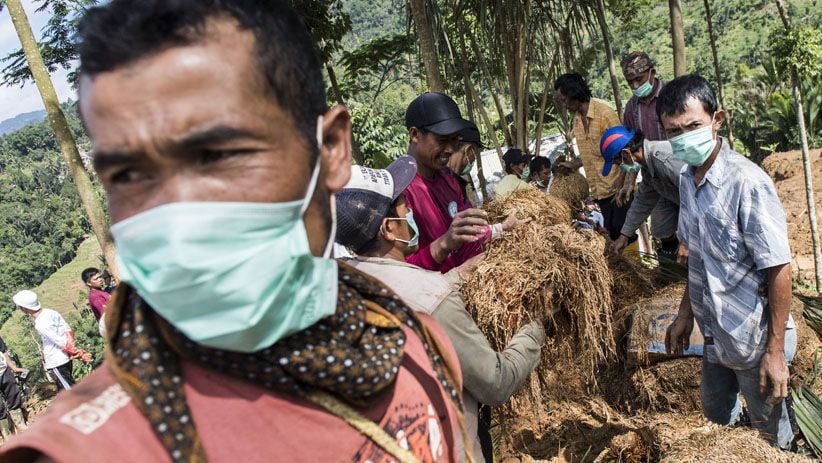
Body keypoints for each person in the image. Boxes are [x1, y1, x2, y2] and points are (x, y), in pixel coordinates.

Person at [0, 2, 468, 461]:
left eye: (217, 154)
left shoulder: (414, 341)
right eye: (128, 175)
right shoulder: (93, 446)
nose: (175, 216)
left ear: (330, 151)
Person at [335, 158, 545, 462]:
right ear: (389, 228)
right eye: (404, 208)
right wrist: (537, 324)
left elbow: (403, 294)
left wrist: (458, 275)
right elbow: (496, 382)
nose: (410, 213)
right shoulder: (433, 300)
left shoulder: (339, 281)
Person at [661, 75, 797, 449]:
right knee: (715, 413)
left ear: (717, 119)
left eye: (693, 126)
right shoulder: (687, 179)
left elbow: (779, 268)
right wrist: (685, 314)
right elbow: (696, 255)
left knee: (771, 436)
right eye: (674, 132)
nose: (684, 137)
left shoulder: (746, 182)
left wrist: (774, 352)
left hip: (756, 337)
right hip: (717, 333)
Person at [403, 92, 520, 274]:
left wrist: (501, 229)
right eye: (442, 140)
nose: (450, 149)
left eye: (455, 141)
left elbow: (467, 238)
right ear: (415, 134)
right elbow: (399, 271)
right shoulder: (398, 192)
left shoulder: (450, 181)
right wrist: (443, 245)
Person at [554, 73, 628, 241]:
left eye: (564, 100)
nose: (563, 105)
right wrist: (574, 164)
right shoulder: (577, 121)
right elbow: (594, 154)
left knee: (624, 234)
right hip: (599, 192)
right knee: (614, 234)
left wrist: (622, 183)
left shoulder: (605, 115)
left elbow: (626, 153)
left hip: (618, 189)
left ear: (574, 93)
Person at [600, 126, 684, 260]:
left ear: (626, 153)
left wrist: (686, 240)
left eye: (618, 162)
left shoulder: (664, 160)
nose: (620, 166)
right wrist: (624, 236)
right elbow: (642, 202)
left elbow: (696, 198)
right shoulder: (648, 168)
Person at [11, 290, 89, 391]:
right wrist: (73, 349)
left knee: (68, 390)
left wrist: (75, 352)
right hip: (66, 356)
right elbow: (68, 330)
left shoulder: (40, 324)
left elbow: (58, 341)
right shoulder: (51, 312)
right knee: (69, 384)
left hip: (57, 359)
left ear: (25, 308)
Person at [621, 52, 666, 141]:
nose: (635, 86)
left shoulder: (672, 96)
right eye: (630, 82)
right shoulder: (631, 107)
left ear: (652, 73)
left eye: (639, 79)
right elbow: (630, 137)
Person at [447, 121, 483, 206]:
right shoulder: (445, 184)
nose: (474, 158)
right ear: (468, 150)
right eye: (475, 153)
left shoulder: (455, 182)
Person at [0, 336, 27, 438]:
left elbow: (3, 352)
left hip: (4, 370)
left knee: (13, 395)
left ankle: (21, 425)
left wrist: (14, 367)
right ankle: (6, 434)